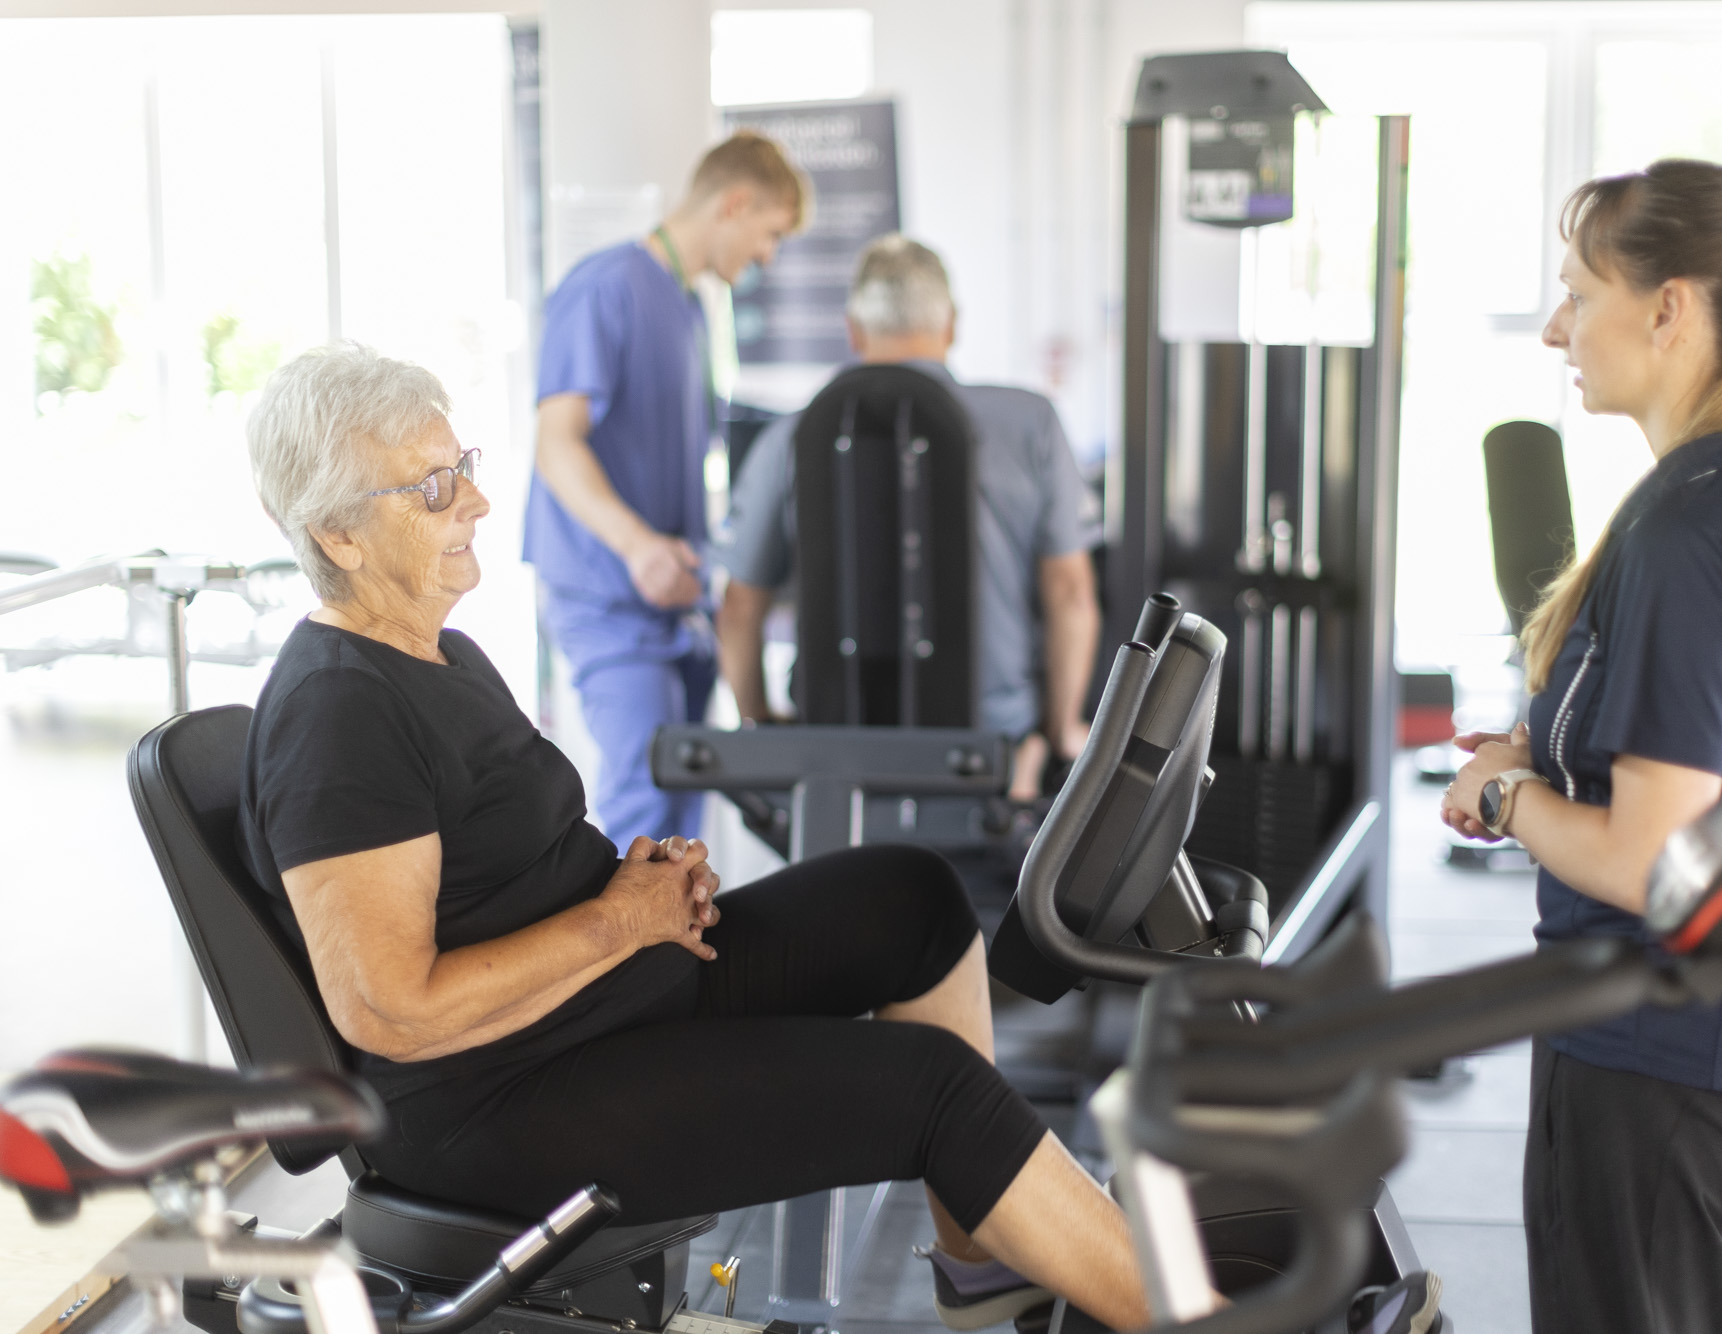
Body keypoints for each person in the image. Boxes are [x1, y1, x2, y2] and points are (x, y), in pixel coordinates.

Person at [236, 344, 1158, 1332]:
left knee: (913, 899)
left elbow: (504, 873)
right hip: (497, 1100)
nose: (474, 503)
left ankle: (984, 1270)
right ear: (339, 533)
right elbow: (389, 1012)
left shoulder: (440, 655)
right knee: (933, 1093)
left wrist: (636, 892)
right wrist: (613, 920)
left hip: (601, 1001)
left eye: (461, 465)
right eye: (430, 487)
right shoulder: (340, 713)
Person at [1443, 160, 1722, 1333]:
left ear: (1668, 307)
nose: (1553, 327)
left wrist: (1503, 797)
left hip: (1659, 1064)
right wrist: (1544, 748)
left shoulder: (1689, 525)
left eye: (1578, 293)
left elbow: (1648, 859)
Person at [714, 234, 1100, 802]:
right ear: (952, 326)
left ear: (853, 329)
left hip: (834, 755)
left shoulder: (792, 437)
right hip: (994, 749)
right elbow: (1069, 593)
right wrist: (1061, 728)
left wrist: (760, 724)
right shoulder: (1032, 424)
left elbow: (740, 606)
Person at [527, 131, 808, 850]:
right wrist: (638, 545)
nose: (769, 255)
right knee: (646, 809)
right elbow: (556, 443)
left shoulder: (687, 307)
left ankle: (680, 962)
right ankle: (628, 963)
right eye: (769, 233)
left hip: (673, 604)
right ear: (734, 203)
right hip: (611, 597)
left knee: (685, 816)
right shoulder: (605, 287)